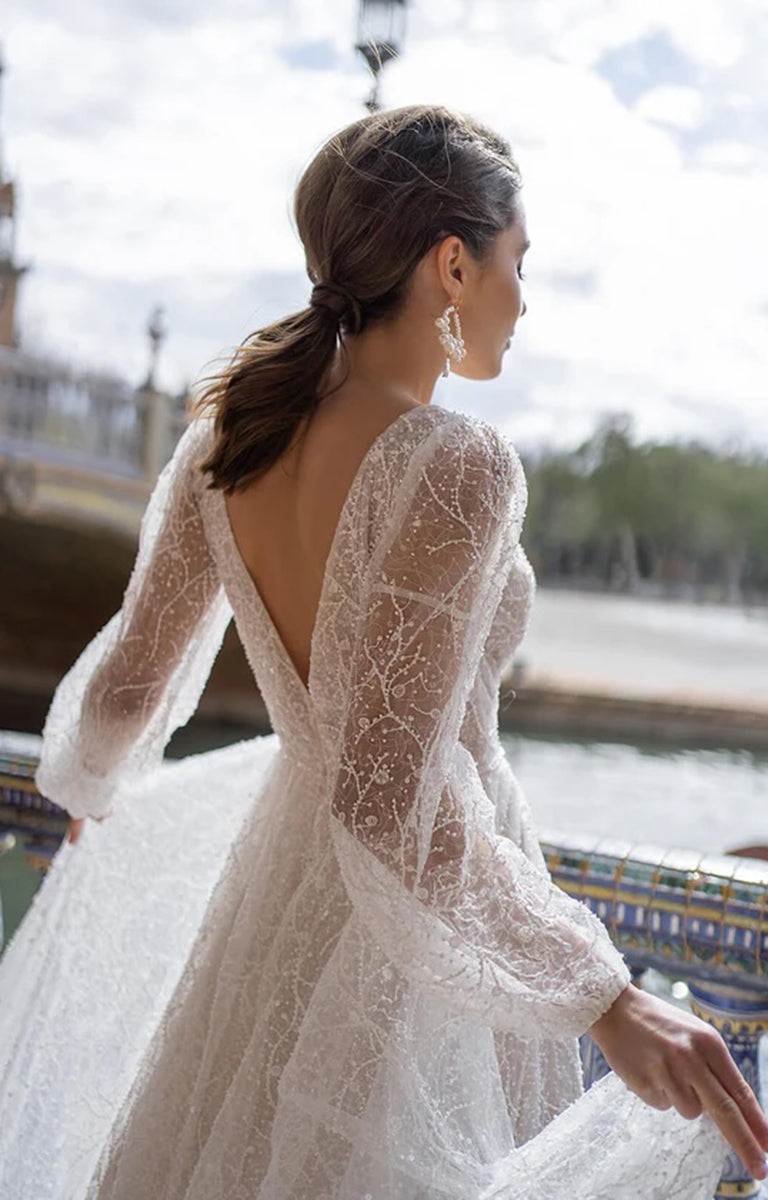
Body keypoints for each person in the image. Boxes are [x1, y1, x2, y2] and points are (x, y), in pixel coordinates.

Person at [0, 102, 765, 1199]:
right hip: (410, 960)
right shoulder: (456, 464)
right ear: (452, 265)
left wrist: (87, 786)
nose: (524, 298)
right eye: (517, 263)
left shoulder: (227, 436)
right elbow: (385, 796)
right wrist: (603, 995)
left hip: (273, 907)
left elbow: (130, 680)